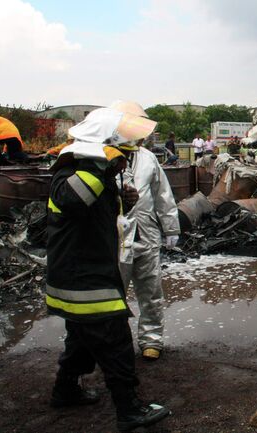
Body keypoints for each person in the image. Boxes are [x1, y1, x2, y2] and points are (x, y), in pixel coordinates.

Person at [46, 107, 170, 431]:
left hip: (84, 277)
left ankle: (65, 390)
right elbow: (74, 200)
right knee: (115, 343)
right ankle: (130, 411)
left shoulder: (87, 173)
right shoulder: (70, 172)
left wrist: (123, 200)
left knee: (81, 339)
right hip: (85, 281)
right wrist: (101, 165)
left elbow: (97, 217)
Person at [109, 100, 180, 361]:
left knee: (150, 291)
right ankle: (115, 344)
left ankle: (152, 340)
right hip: (115, 238)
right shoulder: (103, 158)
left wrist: (171, 228)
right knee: (114, 293)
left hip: (147, 234)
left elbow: (163, 196)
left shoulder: (148, 159)